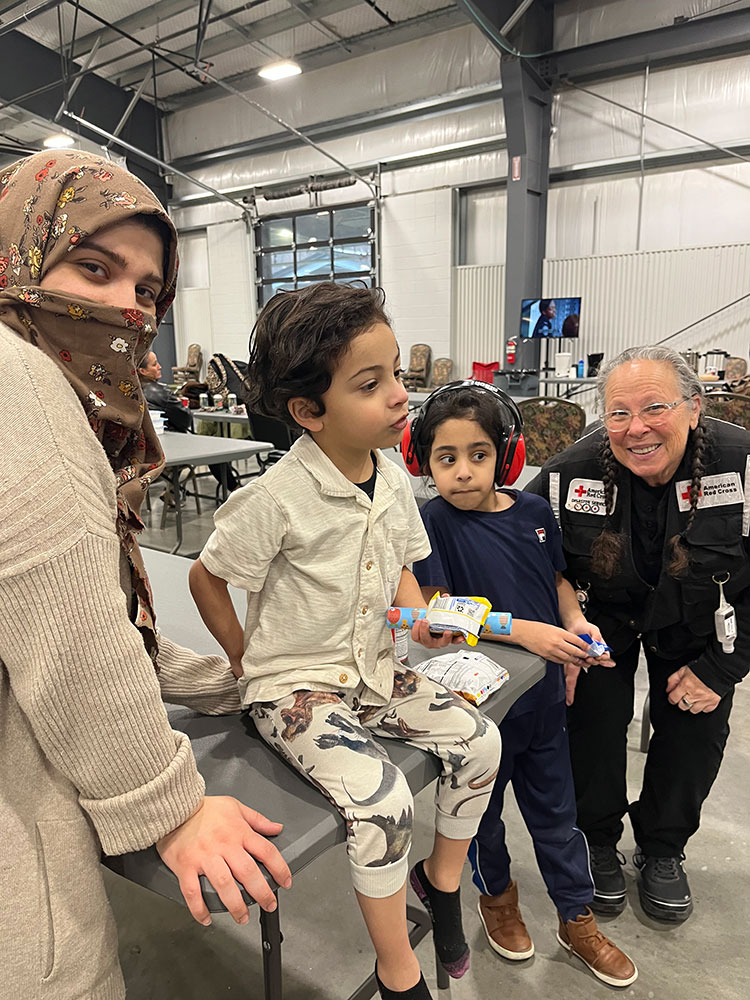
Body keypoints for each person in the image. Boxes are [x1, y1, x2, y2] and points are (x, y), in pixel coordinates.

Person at [0, 149, 291, 1000]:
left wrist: (232, 679)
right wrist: (171, 804)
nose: (126, 307)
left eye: (147, 291)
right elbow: (72, 640)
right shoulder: (19, 382)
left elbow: (54, 604)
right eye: (92, 267)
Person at [188, 283, 502, 1000]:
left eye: (397, 373)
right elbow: (209, 579)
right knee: (384, 802)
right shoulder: (276, 499)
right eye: (372, 383)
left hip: (374, 670)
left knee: (480, 741)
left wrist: (418, 616)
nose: (401, 396)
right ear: (308, 412)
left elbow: (398, 566)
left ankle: (442, 882)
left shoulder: (391, 478)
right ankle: (399, 970)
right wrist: (246, 663)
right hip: (297, 686)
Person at [407, 381, 637, 989]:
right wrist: (528, 635)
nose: (462, 471)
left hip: (541, 705)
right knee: (482, 821)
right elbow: (437, 612)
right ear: (423, 461)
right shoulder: (431, 523)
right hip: (481, 709)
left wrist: (575, 622)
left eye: (478, 454)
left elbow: (558, 579)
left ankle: (575, 916)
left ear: (504, 456)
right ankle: (499, 900)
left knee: (558, 816)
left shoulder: (535, 513)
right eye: (445, 458)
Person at [526, 345, 750, 923]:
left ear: (695, 408)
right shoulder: (566, 476)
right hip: (601, 620)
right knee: (592, 719)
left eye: (656, 408)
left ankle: (663, 848)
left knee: (695, 727)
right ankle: (596, 839)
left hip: (700, 623)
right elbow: (530, 563)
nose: (637, 429)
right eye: (619, 413)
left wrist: (722, 670)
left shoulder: (742, 467)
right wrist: (555, 639)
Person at [138, 349, 241, 492]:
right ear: (142, 371)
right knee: (215, 450)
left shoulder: (133, 392)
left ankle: (174, 493)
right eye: (155, 364)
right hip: (171, 447)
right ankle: (236, 489)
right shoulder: (160, 392)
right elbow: (185, 420)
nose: (160, 366)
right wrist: (178, 404)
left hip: (147, 449)